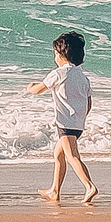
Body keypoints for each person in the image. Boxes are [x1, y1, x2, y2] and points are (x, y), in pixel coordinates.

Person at [27, 31, 97, 203]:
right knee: (58, 155)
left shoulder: (59, 73)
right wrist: (80, 117)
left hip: (65, 123)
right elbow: (89, 103)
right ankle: (54, 191)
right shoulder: (83, 77)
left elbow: (39, 89)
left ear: (61, 55)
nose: (55, 57)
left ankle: (89, 186)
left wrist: (30, 87)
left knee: (72, 156)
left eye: (55, 54)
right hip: (78, 123)